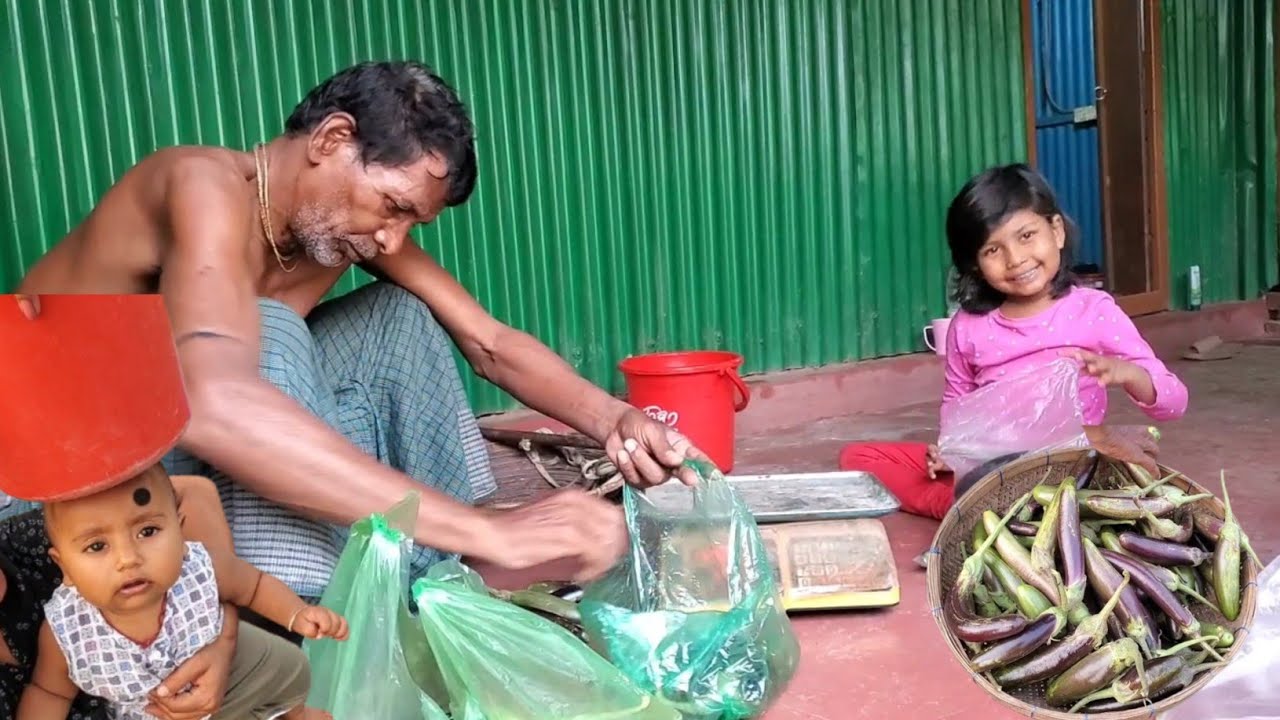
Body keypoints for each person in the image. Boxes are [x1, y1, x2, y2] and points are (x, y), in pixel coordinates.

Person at [14, 60, 709, 604]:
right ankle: (324, 605)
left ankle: (441, 576)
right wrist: (491, 528)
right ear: (332, 139)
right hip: (52, 471)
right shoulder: (199, 184)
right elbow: (214, 404)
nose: (391, 237)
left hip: (164, 452)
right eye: (391, 206)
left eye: (413, 223)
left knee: (397, 317)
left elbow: (489, 342)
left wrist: (615, 418)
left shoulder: (345, 228)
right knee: (270, 333)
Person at [839, 164, 1186, 519]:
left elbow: (1174, 403)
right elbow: (957, 403)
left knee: (1108, 471)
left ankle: (974, 511)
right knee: (857, 458)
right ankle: (974, 507)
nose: (1016, 260)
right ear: (974, 265)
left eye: (1026, 236)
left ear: (1057, 231)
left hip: (1070, 469)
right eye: (992, 250)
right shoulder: (969, 326)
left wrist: (1129, 373)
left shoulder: (1092, 311)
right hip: (991, 468)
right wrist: (951, 452)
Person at [16, 468, 347, 720]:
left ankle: (295, 712)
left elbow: (255, 585)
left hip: (238, 668)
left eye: (148, 531)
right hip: (157, 713)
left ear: (179, 526)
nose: (128, 558)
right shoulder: (67, 632)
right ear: (65, 567)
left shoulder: (200, 567)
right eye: (97, 546)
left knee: (290, 667)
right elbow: (48, 692)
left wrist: (297, 613)